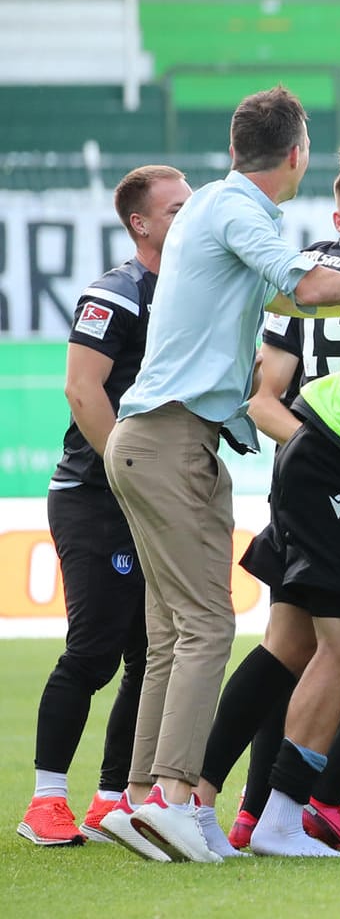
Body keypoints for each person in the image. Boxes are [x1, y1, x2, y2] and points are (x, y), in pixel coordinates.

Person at [100, 86, 340, 864]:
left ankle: (144, 800)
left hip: (170, 435)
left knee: (176, 631)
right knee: (208, 627)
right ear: (298, 154)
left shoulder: (217, 212)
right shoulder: (241, 210)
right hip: (173, 436)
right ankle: (179, 800)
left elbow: (286, 296)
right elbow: (301, 289)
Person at [199, 135, 340, 853]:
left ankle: (221, 803)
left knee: (289, 643)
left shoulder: (311, 275)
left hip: (308, 467)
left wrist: (307, 446)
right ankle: (306, 803)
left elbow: (264, 398)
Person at [17, 166, 188, 849]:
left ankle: (112, 797)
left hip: (148, 494)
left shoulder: (184, 292)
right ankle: (45, 803)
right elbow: (82, 390)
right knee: (94, 651)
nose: (188, 220)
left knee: (150, 652)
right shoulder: (115, 293)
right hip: (96, 495)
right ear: (139, 225)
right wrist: (130, 468)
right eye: (174, 211)